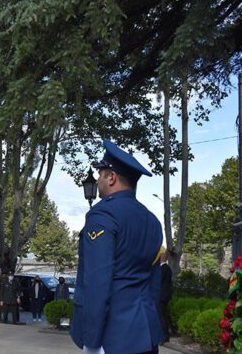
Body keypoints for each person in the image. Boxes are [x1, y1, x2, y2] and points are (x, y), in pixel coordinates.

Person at [70, 140, 164, 354]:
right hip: (146, 335)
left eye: (100, 173)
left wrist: (91, 342)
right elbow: (154, 283)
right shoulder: (152, 221)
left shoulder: (102, 215)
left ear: (111, 177)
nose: (97, 179)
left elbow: (97, 282)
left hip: (113, 339)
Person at [159, 251, 173, 344]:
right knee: (164, 315)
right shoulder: (167, 268)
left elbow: (159, 281)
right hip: (164, 295)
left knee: (162, 316)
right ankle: (167, 333)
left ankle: (165, 336)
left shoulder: (164, 268)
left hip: (162, 296)